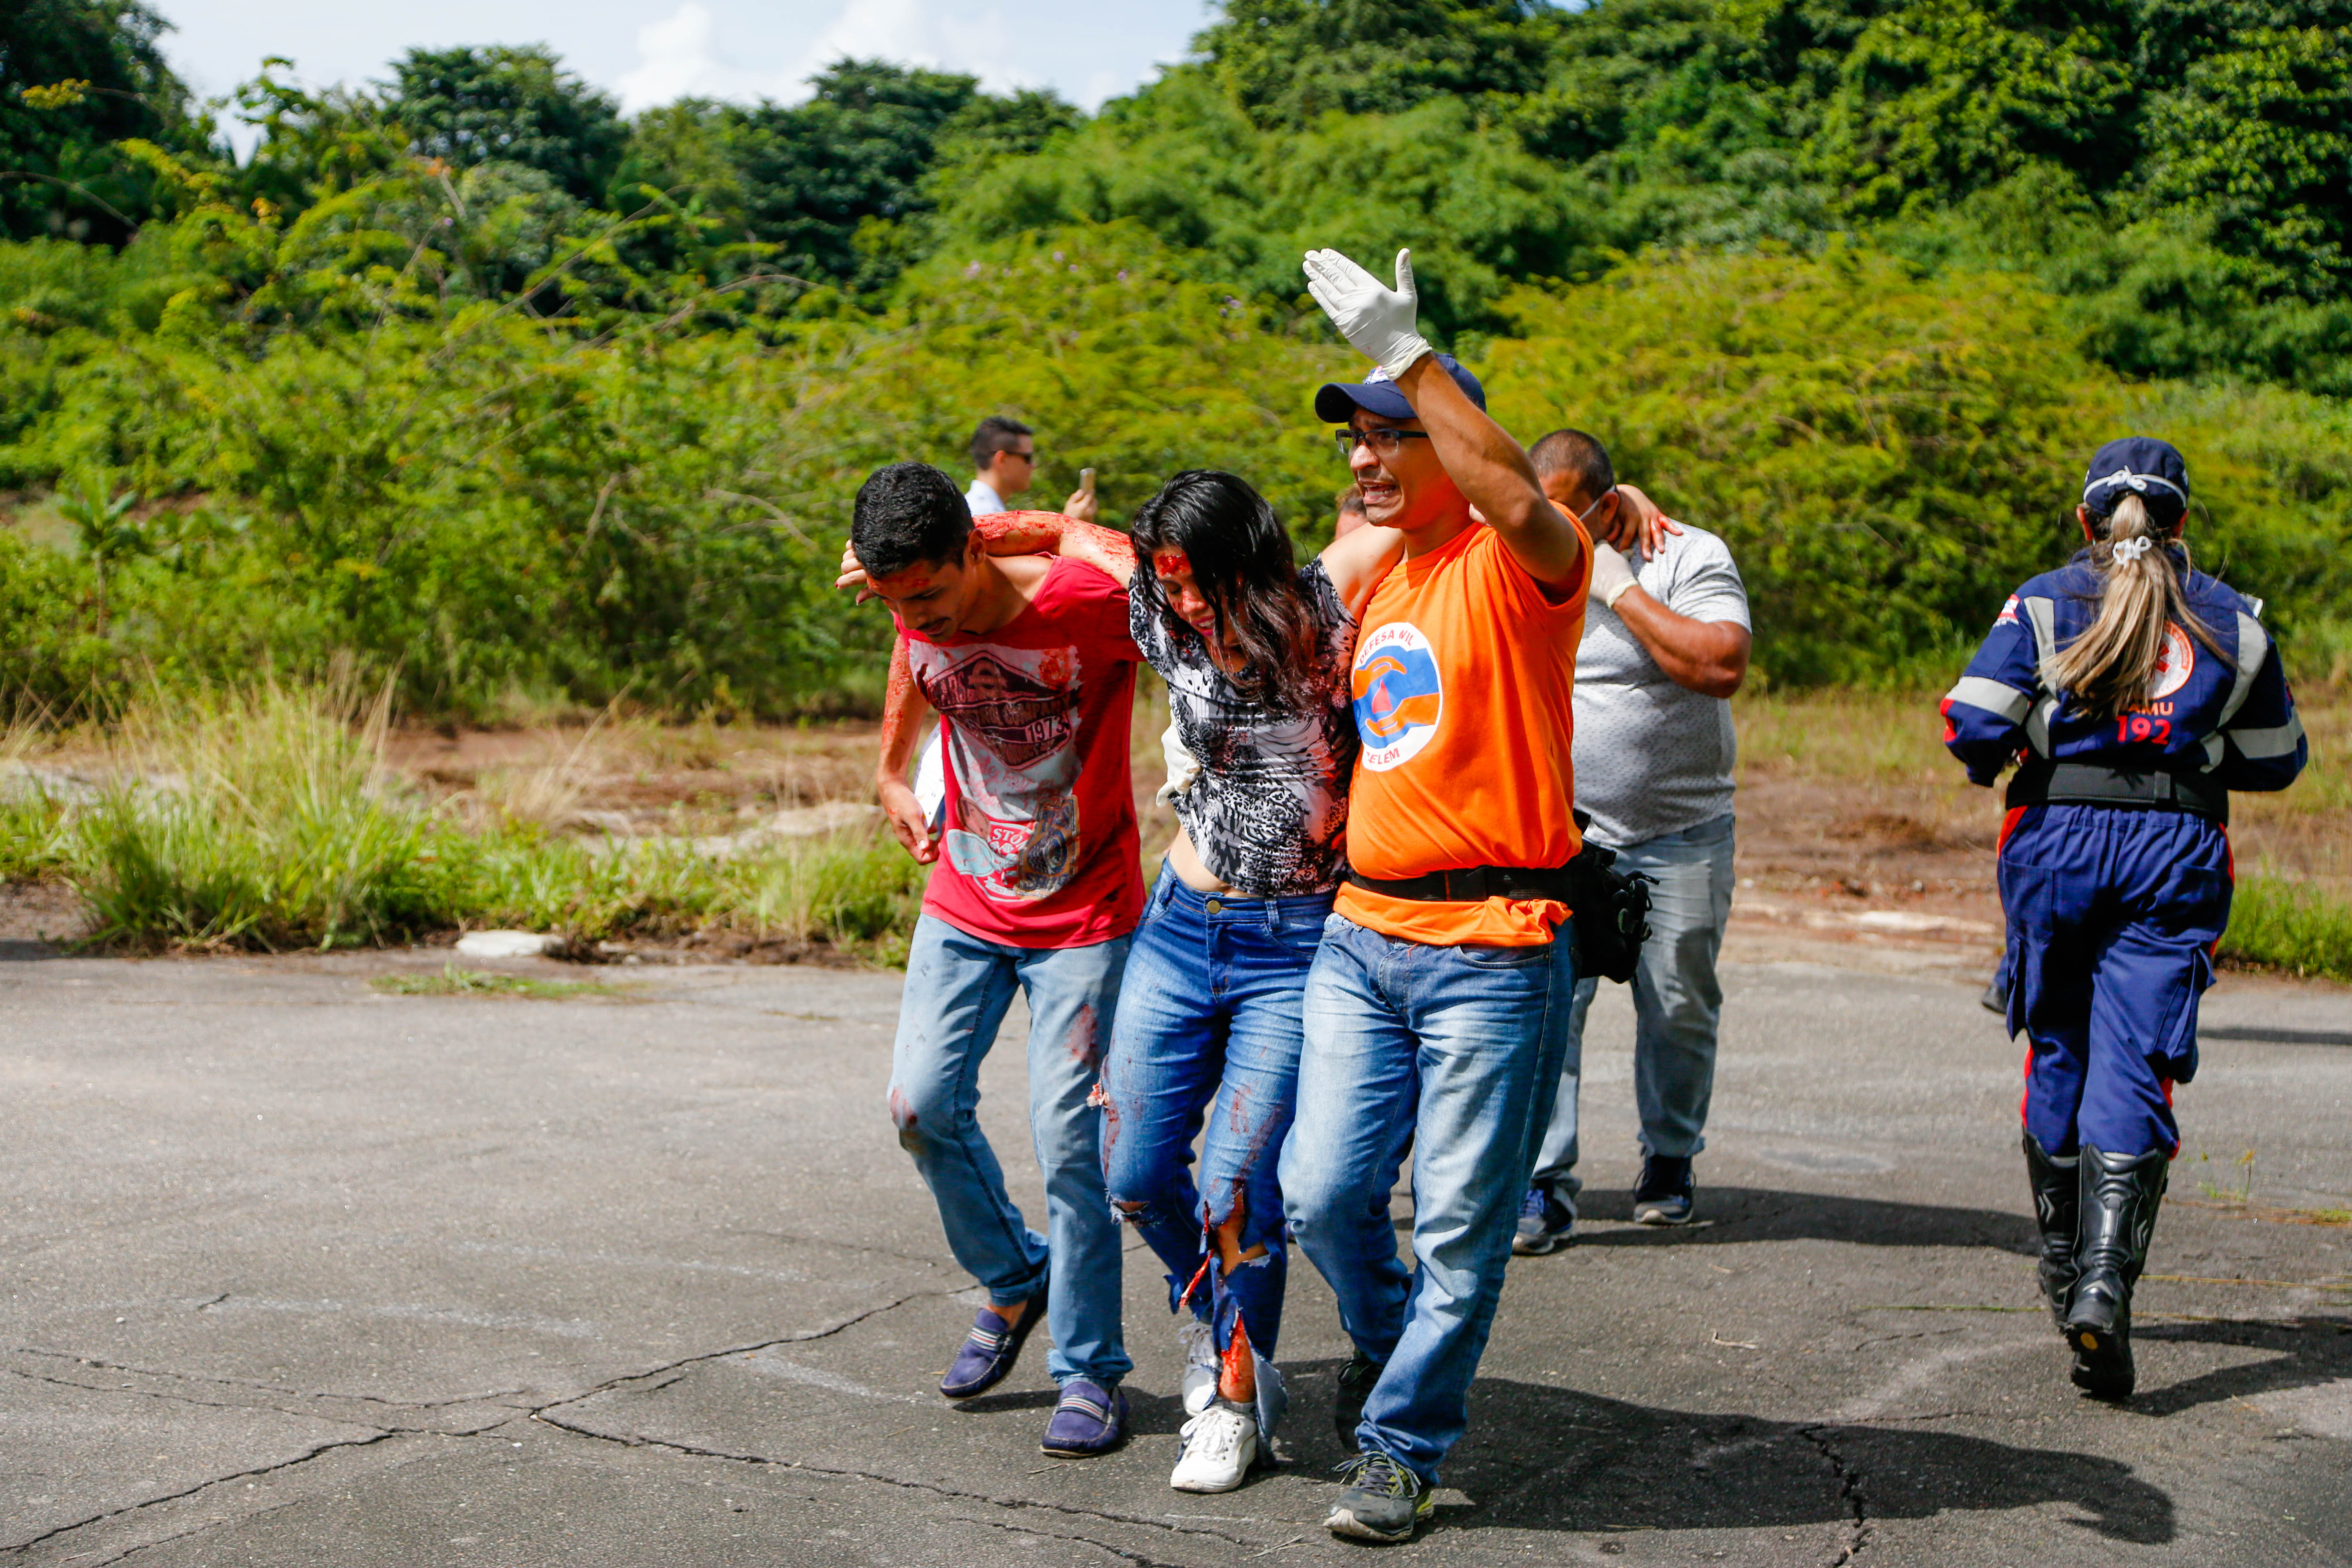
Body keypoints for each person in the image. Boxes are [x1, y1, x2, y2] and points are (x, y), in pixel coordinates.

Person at [908, 474, 1406, 1493]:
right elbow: (1066, 534)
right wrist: (974, 531)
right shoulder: (1157, 600)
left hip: (1295, 939)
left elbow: (1447, 519)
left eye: (1200, 584)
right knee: (1130, 1171)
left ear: (1251, 566)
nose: (1181, 604)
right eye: (1169, 582)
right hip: (1180, 926)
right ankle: (1219, 1322)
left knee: (1235, 1185)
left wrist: (1592, 505)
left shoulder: (1324, 597)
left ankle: (1235, 1392)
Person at [1278, 247, 1591, 1545]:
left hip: (1496, 947)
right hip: (1363, 932)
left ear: (1449, 444)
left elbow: (1515, 492)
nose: (1363, 457)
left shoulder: (1522, 567)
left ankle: (1403, 1442)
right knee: (1323, 1193)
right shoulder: (1381, 572)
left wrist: (1415, 354)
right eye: (1353, 439)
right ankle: (1392, 1340)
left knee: (1463, 1222)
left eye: (1391, 437)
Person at [1941, 436, 2306, 1401]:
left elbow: (1969, 722)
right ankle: (2105, 1284)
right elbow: (2276, 757)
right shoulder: (2231, 617)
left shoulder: (2040, 600)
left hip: (2052, 839)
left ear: (2083, 521)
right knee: (2134, 1060)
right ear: (2181, 519)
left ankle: (2062, 1272)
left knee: (2055, 1044)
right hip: (2174, 845)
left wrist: (2028, 749)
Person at [844, 462, 1142, 1457]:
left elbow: (1115, 552)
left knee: (1072, 1146)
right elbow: (912, 653)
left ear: (975, 547)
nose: (911, 614)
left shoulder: (1090, 598)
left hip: (1085, 910)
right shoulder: (907, 596)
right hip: (965, 894)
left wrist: (1039, 521)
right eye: (893, 598)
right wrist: (891, 770)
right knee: (918, 1107)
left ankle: (1091, 1367)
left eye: (925, 591)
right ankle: (1017, 1278)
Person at [1515, 430, 1753, 1254]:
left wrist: (1617, 590)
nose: (1545, 533)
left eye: (1565, 517)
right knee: (1550, 1009)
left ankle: (1671, 1159)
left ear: (1607, 508)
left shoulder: (1685, 557)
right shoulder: (1520, 558)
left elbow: (1720, 665)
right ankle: (1544, 1184)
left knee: (1679, 1006)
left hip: (1679, 833)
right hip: (1559, 836)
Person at [963, 414, 1097, 521]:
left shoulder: (979, 510)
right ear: (1002, 459)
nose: (1033, 465)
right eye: (1027, 458)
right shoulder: (983, 516)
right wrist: (1069, 524)